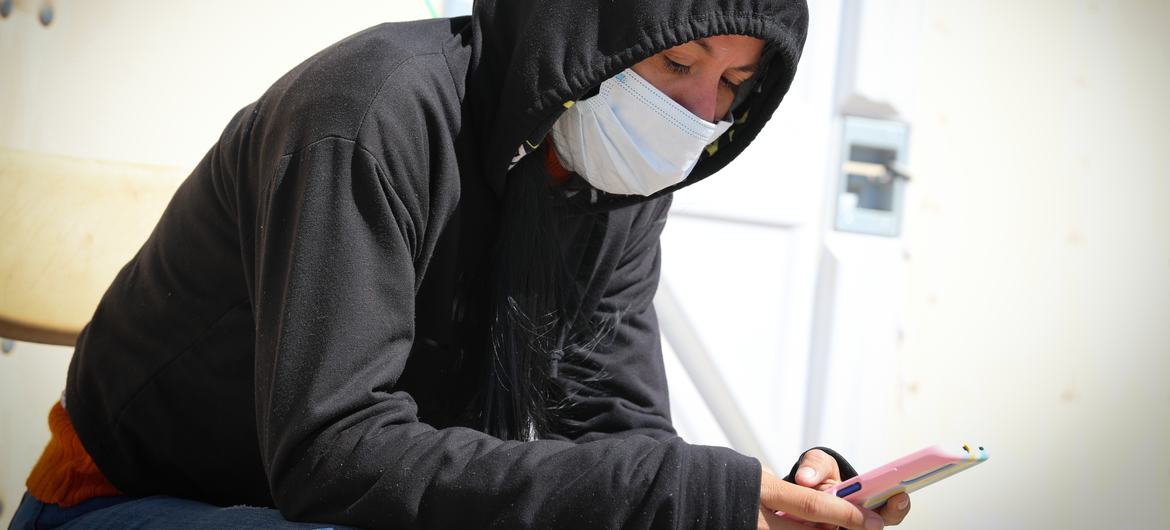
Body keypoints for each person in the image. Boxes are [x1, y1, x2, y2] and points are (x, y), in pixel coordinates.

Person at [11, 1, 913, 529]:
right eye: (677, 59)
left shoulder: (620, 170)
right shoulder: (369, 113)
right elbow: (333, 453)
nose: (697, 110)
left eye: (734, 85)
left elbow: (611, 427)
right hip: (132, 502)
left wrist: (749, 508)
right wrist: (679, 493)